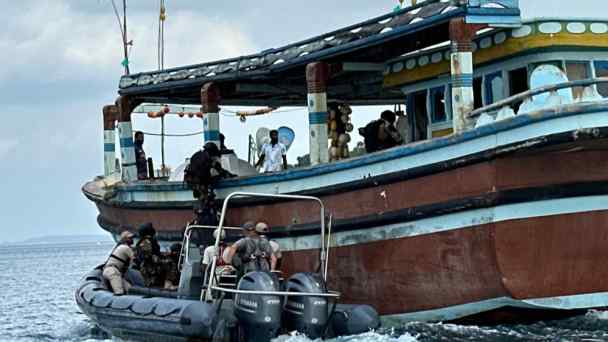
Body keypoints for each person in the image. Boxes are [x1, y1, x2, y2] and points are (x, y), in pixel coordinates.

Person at [102, 231, 135, 295]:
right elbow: (135, 259)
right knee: (119, 292)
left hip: (111, 270)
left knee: (129, 288)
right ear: (125, 239)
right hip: (113, 271)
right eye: (130, 238)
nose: (132, 239)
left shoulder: (121, 247)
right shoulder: (126, 248)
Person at [134, 222, 163, 287]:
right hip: (149, 269)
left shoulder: (148, 241)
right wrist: (162, 260)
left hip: (151, 267)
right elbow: (148, 257)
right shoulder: (146, 242)